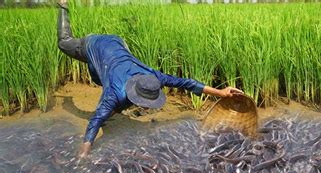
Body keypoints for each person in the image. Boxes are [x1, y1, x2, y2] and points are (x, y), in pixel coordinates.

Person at [57, 0, 243, 158]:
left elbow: (187, 83)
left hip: (119, 43)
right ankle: (63, 4)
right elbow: (95, 121)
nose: (146, 106)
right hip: (93, 45)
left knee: (106, 88)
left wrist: (220, 92)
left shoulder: (154, 77)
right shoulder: (114, 93)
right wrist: (84, 152)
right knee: (64, 42)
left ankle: (110, 103)